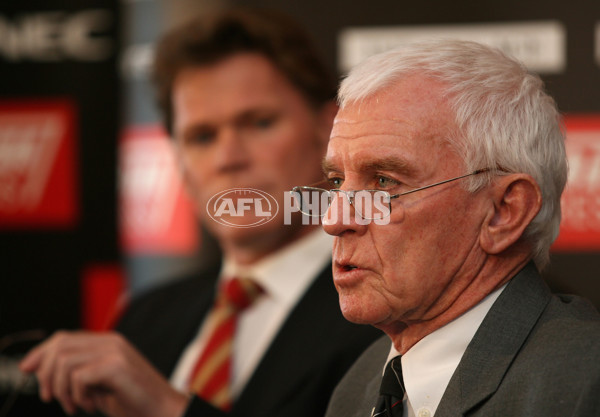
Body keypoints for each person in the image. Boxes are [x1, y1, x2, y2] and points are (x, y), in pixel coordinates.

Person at [18, 7, 381, 417]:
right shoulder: (145, 319)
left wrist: (167, 407)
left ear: (328, 129)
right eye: (202, 136)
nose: (229, 157)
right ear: (180, 164)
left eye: (259, 123)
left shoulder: (380, 310)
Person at [304, 40, 600, 417]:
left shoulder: (583, 383)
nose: (334, 220)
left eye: (383, 182)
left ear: (503, 212)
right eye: (335, 182)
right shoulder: (358, 387)